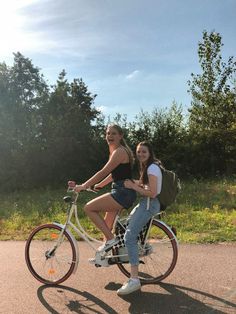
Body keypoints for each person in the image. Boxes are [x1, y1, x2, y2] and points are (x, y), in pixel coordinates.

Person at [74, 124, 136, 253]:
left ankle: (112, 240)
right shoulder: (117, 151)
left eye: (113, 133)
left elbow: (103, 171)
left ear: (120, 136)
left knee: (88, 208)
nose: (110, 136)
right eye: (108, 133)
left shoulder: (119, 152)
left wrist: (84, 186)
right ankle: (109, 254)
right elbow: (114, 175)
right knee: (107, 225)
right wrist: (100, 185)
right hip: (122, 191)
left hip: (122, 193)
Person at [117, 141, 163, 296]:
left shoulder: (152, 168)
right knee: (127, 224)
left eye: (144, 152)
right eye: (138, 152)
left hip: (150, 204)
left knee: (129, 237)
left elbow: (153, 192)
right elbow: (146, 185)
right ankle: (136, 252)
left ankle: (134, 279)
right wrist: (131, 182)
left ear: (150, 153)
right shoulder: (149, 167)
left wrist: (133, 187)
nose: (141, 154)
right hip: (146, 203)